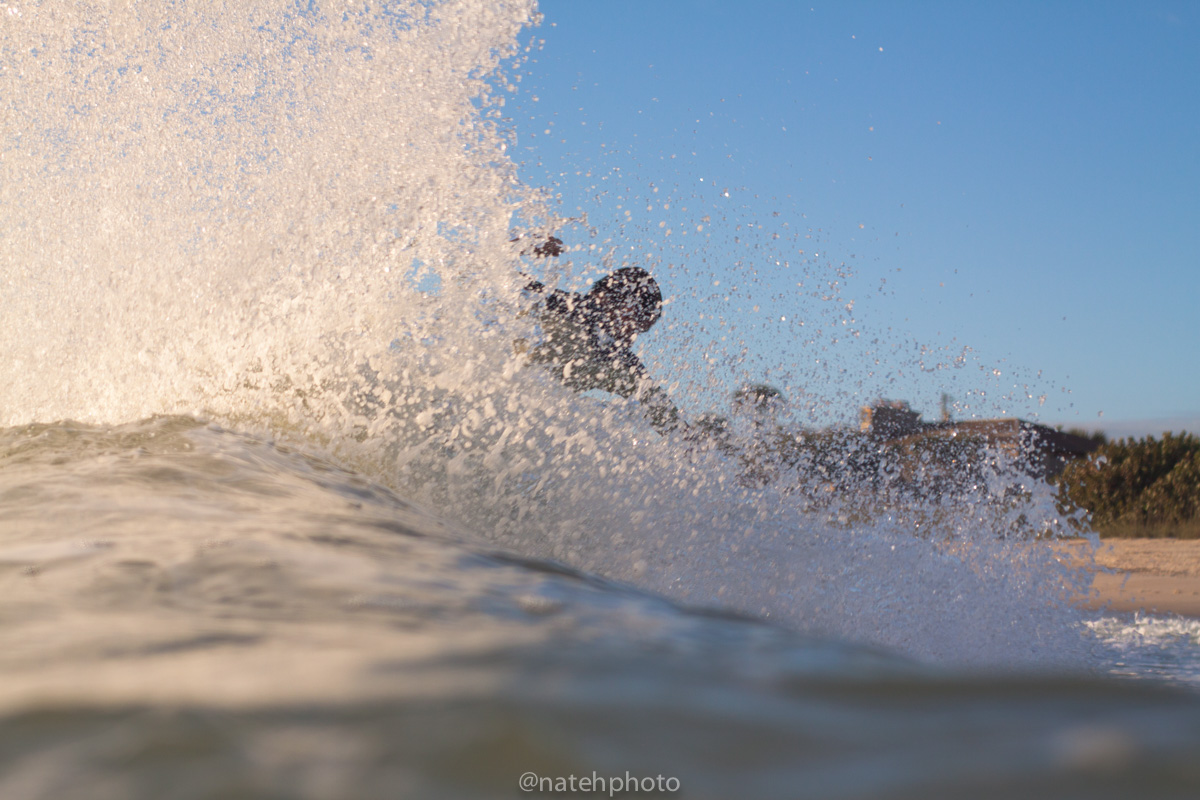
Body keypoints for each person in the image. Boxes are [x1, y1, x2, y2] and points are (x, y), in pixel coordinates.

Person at [515, 237, 681, 433]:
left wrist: (691, 440)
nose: (632, 336)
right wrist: (523, 246)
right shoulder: (563, 305)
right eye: (633, 322)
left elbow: (660, 409)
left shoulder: (614, 355)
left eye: (639, 330)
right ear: (605, 296)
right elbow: (493, 273)